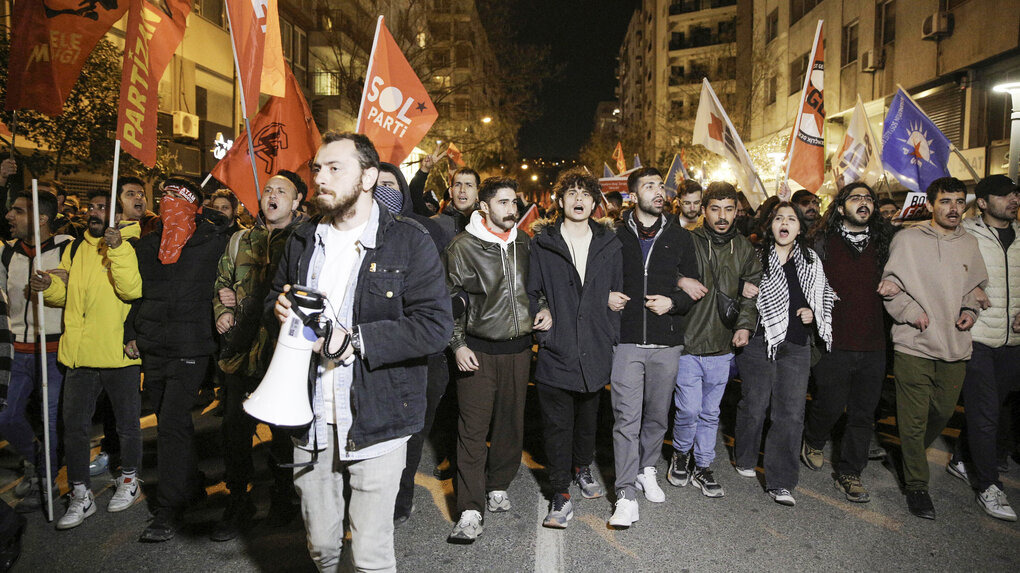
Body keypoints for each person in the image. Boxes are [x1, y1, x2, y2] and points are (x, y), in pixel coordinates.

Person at [269, 132, 452, 571]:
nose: (321, 178)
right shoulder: (301, 239)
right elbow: (275, 295)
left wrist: (355, 340)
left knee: (370, 552)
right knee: (321, 546)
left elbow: (435, 326)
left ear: (368, 177)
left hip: (379, 415)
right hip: (310, 414)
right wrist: (276, 307)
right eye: (318, 169)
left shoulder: (408, 241)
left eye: (335, 168)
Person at [128, 177, 231, 542]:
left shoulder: (213, 242)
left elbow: (231, 274)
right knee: (173, 423)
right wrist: (131, 334)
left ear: (194, 205)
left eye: (178, 197)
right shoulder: (148, 245)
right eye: (164, 196)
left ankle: (169, 509)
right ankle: (190, 483)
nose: (168, 202)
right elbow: (137, 295)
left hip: (191, 346)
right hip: (154, 346)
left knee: (170, 422)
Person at [34, 191, 144, 530]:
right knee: (74, 429)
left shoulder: (133, 244)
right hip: (79, 353)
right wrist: (48, 285)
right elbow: (66, 295)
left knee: (126, 425)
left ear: (116, 213)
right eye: (92, 207)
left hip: (117, 351)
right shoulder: (74, 247)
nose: (94, 213)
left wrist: (118, 249)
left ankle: (129, 479)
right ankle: (80, 493)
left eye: (102, 208)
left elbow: (131, 290)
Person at [880, 176, 987, 520]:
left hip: (955, 345)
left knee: (940, 413)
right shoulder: (907, 239)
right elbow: (890, 287)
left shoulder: (969, 243)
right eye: (945, 201)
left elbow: (975, 288)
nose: (953, 208)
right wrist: (912, 312)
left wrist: (970, 311)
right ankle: (917, 485)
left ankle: (906, 451)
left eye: (958, 201)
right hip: (914, 343)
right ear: (929, 204)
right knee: (912, 420)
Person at [211, 170, 307, 541]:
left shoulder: (306, 240)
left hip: (283, 355)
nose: (272, 195)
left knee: (284, 433)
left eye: (282, 191)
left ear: (297, 200)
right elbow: (221, 281)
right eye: (267, 190)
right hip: (240, 353)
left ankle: (284, 497)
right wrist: (222, 309)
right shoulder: (239, 240)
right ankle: (239, 500)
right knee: (235, 432)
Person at [528, 168, 622, 528]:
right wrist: (542, 312)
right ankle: (559, 491)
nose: (579, 200)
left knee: (587, 419)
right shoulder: (543, 242)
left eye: (586, 194)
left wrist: (610, 329)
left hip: (596, 348)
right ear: (560, 201)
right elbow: (532, 291)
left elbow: (619, 292)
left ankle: (582, 467)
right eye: (572, 194)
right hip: (558, 348)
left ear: (595, 202)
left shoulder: (609, 243)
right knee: (556, 425)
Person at [444, 175, 534, 543]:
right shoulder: (462, 246)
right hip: (478, 351)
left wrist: (541, 309)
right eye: (503, 202)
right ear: (484, 206)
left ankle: (498, 485)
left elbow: (536, 289)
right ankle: (469, 508)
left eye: (514, 203)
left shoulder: (524, 243)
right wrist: (457, 344)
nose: (511, 209)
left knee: (511, 425)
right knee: (472, 429)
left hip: (519, 349)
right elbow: (447, 299)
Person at [607, 167, 699, 528]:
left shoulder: (679, 237)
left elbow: (694, 289)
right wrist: (606, 296)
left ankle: (647, 469)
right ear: (633, 196)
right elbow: (599, 278)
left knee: (658, 415)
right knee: (626, 418)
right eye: (649, 186)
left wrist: (673, 303)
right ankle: (626, 494)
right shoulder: (614, 236)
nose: (659, 191)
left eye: (661, 185)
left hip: (666, 342)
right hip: (627, 340)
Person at [734, 201, 835, 507]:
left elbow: (823, 295)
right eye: (779, 217)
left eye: (791, 218)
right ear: (770, 225)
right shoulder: (756, 256)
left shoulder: (810, 260)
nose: (785, 222)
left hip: (796, 343)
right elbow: (732, 284)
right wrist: (742, 286)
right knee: (755, 403)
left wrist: (811, 312)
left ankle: (781, 482)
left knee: (790, 413)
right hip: (759, 341)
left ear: (800, 228)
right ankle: (745, 456)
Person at [801, 182, 894, 503]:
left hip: (873, 342)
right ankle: (813, 439)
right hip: (833, 340)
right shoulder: (820, 242)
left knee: (863, 413)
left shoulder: (887, 242)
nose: (864, 202)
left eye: (868, 198)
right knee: (828, 403)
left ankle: (850, 473)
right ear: (841, 207)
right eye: (856, 198)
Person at [375, 162, 456, 528]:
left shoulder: (425, 233)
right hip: (373, 355)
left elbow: (443, 296)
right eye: (375, 184)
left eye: (390, 185)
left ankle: (399, 499)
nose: (382, 191)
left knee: (410, 436)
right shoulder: (352, 236)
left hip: (424, 357)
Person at [669, 181, 762, 499]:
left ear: (737, 211)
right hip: (687, 343)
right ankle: (680, 454)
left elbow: (751, 291)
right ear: (704, 210)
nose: (722, 216)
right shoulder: (686, 241)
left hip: (723, 347)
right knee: (688, 410)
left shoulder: (745, 248)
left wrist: (745, 326)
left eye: (729, 209)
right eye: (715, 209)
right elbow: (660, 272)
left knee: (711, 413)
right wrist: (681, 279)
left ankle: (703, 465)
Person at [948, 174, 1019, 521]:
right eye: (1004, 195)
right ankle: (989, 486)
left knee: (997, 407)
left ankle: (962, 458)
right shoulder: (966, 235)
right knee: (986, 411)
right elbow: (945, 277)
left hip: (1013, 342)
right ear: (984, 202)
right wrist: (967, 294)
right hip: (977, 337)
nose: (1013, 200)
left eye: (1015, 194)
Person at [0, 191, 72, 512]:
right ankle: (39, 460)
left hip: (54, 350)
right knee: (6, 415)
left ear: (41, 219)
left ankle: (47, 478)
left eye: (17, 210)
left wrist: (62, 281)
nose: (9, 216)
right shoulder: (6, 254)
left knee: (51, 419)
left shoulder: (68, 247)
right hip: (16, 352)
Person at [430, 166, 480, 238]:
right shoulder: (434, 224)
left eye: (469, 185)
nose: (462, 190)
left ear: (477, 193)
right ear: (450, 192)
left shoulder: (488, 225)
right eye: (457, 185)